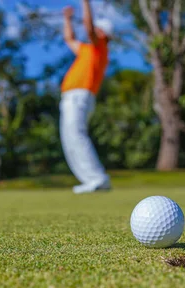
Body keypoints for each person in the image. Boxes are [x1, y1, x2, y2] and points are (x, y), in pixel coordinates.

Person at [60, 0, 113, 194]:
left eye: (98, 30)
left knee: (76, 135)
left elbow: (88, 27)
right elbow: (69, 39)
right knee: (69, 141)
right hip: (70, 98)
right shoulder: (87, 51)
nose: (93, 31)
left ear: (104, 35)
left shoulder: (100, 50)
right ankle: (90, 180)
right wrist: (67, 19)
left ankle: (97, 178)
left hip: (79, 97)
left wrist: (85, 3)